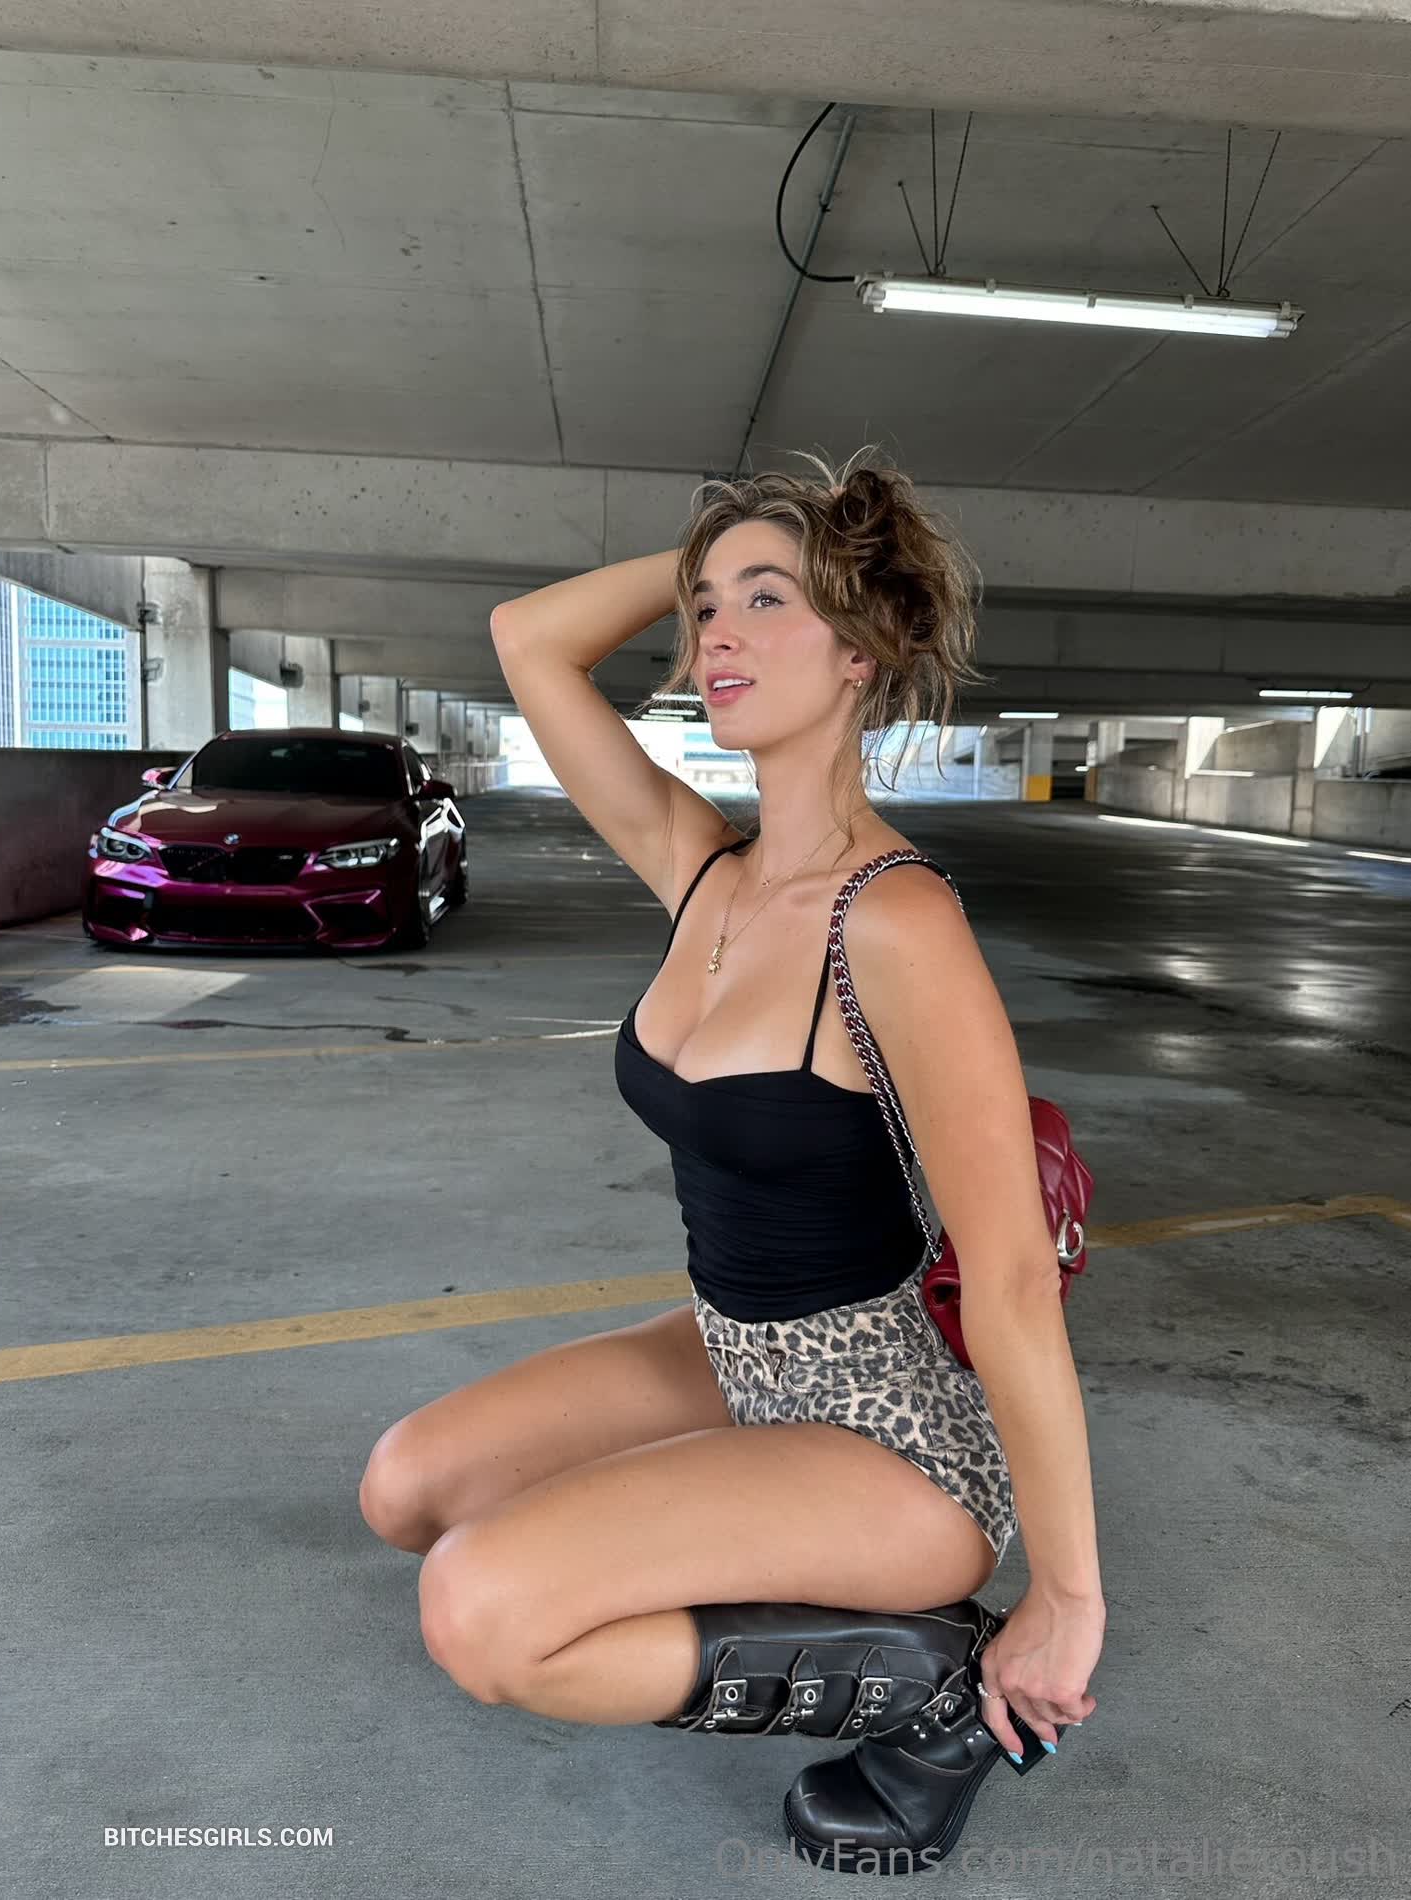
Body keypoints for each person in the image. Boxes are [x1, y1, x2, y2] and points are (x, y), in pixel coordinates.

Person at [358, 449, 1104, 1875]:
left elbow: (1010, 1277)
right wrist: (716, 552)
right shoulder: (702, 865)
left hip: (893, 1431)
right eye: (705, 610)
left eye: (769, 602)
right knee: (408, 1492)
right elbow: (529, 639)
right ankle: (754, 1539)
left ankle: (935, 1689)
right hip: (735, 1349)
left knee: (482, 1617)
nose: (717, 636)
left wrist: (1067, 1597)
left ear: (860, 647)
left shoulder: (895, 923)